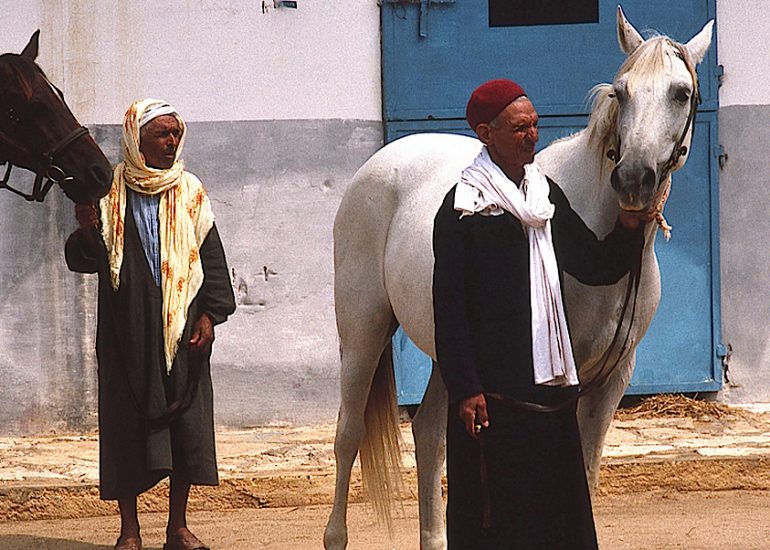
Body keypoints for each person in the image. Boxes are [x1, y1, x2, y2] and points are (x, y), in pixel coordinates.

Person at [432, 79, 648, 549]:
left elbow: (593, 262)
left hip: (548, 395)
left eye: (535, 125)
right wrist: (466, 389)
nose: (532, 135)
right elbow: (448, 310)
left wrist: (630, 226)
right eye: (518, 128)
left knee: (556, 519)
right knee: (495, 518)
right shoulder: (463, 210)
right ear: (486, 134)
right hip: (492, 401)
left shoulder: (544, 197)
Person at [66, 98, 236, 550]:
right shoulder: (108, 192)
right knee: (125, 427)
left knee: (186, 427)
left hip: (183, 333)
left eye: (176, 134)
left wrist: (209, 316)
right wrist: (86, 229)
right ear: (135, 140)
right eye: (162, 134)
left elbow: (213, 262)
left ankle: (177, 527)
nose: (171, 142)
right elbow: (86, 260)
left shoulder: (191, 190)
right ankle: (129, 530)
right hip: (127, 334)